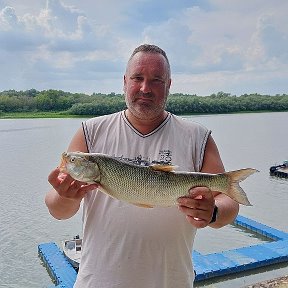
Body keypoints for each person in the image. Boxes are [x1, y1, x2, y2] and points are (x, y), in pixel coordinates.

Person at [45, 44, 239, 288]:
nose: (145, 88)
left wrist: (212, 213)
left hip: (171, 281)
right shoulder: (90, 132)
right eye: (138, 78)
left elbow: (228, 203)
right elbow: (57, 210)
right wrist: (66, 196)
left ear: (169, 85)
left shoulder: (198, 137)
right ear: (125, 81)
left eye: (156, 80)